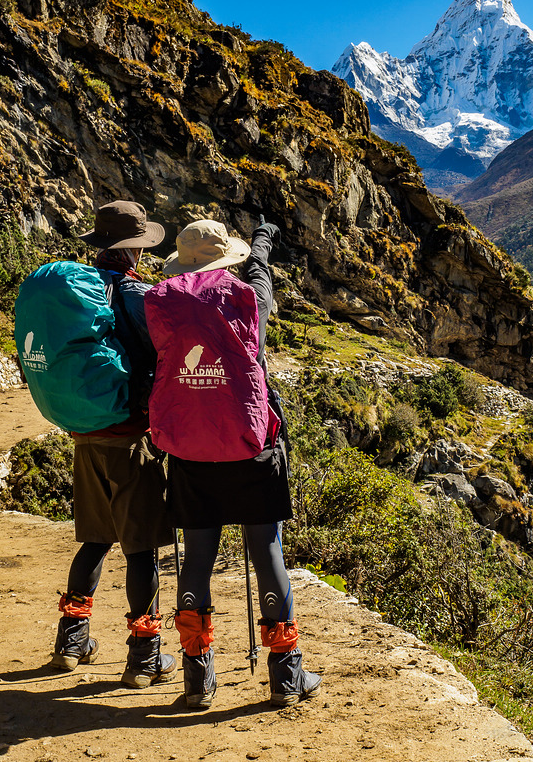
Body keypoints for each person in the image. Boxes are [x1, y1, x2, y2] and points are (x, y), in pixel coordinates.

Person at [144, 217, 321, 709]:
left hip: (188, 446)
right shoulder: (248, 296)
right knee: (266, 549)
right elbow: (260, 267)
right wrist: (265, 235)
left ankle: (198, 679)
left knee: (196, 556)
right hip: (250, 446)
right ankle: (287, 674)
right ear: (228, 258)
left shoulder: (162, 303)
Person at [50, 200, 176, 689]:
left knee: (96, 538)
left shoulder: (79, 294)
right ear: (133, 252)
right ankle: (145, 656)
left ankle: (71, 639)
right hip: (129, 437)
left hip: (87, 434)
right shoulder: (138, 297)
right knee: (141, 549)